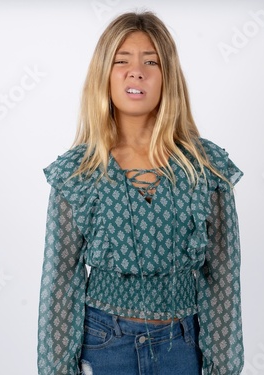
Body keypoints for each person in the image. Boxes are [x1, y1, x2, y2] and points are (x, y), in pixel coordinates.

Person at [37, 11, 244, 375]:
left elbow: (223, 276)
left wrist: (222, 367)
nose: (137, 71)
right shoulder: (77, 172)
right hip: (103, 345)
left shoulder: (206, 166)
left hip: (183, 346)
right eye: (122, 61)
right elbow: (60, 282)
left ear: (168, 77)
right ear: (105, 74)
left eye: (151, 61)